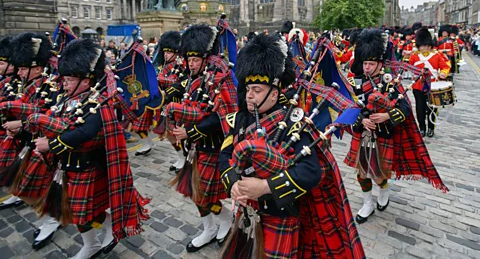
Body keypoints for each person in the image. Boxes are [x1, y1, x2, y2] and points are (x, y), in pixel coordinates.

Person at [218, 34, 365, 258]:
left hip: (280, 214)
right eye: (248, 89)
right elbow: (225, 155)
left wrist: (266, 187)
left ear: (274, 93)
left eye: (257, 90)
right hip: (246, 212)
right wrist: (233, 184)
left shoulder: (292, 122)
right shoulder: (239, 119)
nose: (249, 96)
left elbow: (310, 171)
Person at [30, 38, 149, 258]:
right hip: (66, 167)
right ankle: (94, 240)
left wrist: (51, 144)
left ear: (86, 80)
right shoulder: (68, 98)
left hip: (87, 167)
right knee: (78, 212)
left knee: (83, 213)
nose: (64, 83)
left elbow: (84, 132)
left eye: (69, 79)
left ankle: (99, 236)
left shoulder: (99, 102)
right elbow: (55, 118)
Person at [345, 29, 449, 224]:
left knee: (379, 173)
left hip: (383, 135)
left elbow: (405, 109)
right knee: (361, 173)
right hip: (362, 134)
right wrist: (360, 120)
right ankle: (367, 203)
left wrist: (386, 115)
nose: (366, 68)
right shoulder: (355, 82)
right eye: (364, 63)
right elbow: (347, 107)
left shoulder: (391, 82)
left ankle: (383, 189)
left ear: (380, 64)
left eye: (371, 64)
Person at [166, 24, 238, 252]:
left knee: (204, 194)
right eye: (189, 59)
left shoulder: (219, 78)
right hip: (195, 148)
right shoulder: (193, 79)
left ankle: (225, 218)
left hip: (213, 146)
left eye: (195, 60)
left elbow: (223, 117)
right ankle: (209, 227)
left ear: (205, 58)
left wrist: (190, 132)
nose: (191, 64)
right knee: (195, 192)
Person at [0, 32, 61, 250]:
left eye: (24, 68)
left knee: (41, 189)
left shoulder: (51, 86)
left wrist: (20, 122)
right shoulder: (23, 83)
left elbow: (48, 116)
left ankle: (52, 220)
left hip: (44, 146)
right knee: (25, 186)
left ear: (37, 67)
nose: (20, 71)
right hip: (27, 142)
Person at [154, 30, 186, 171]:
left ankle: (184, 158)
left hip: (177, 103)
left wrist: (165, 89)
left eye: (169, 52)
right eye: (164, 52)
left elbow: (180, 84)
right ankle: (180, 156)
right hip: (166, 105)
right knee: (169, 134)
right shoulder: (163, 66)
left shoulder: (181, 66)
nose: (165, 54)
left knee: (178, 133)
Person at [409, 28, 450, 137]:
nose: (424, 48)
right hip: (418, 86)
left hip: (432, 85)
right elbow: (410, 68)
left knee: (432, 108)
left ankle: (431, 128)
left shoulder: (437, 55)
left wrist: (443, 73)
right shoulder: (414, 56)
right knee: (420, 108)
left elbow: (445, 66)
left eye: (427, 45)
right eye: (422, 46)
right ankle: (422, 128)